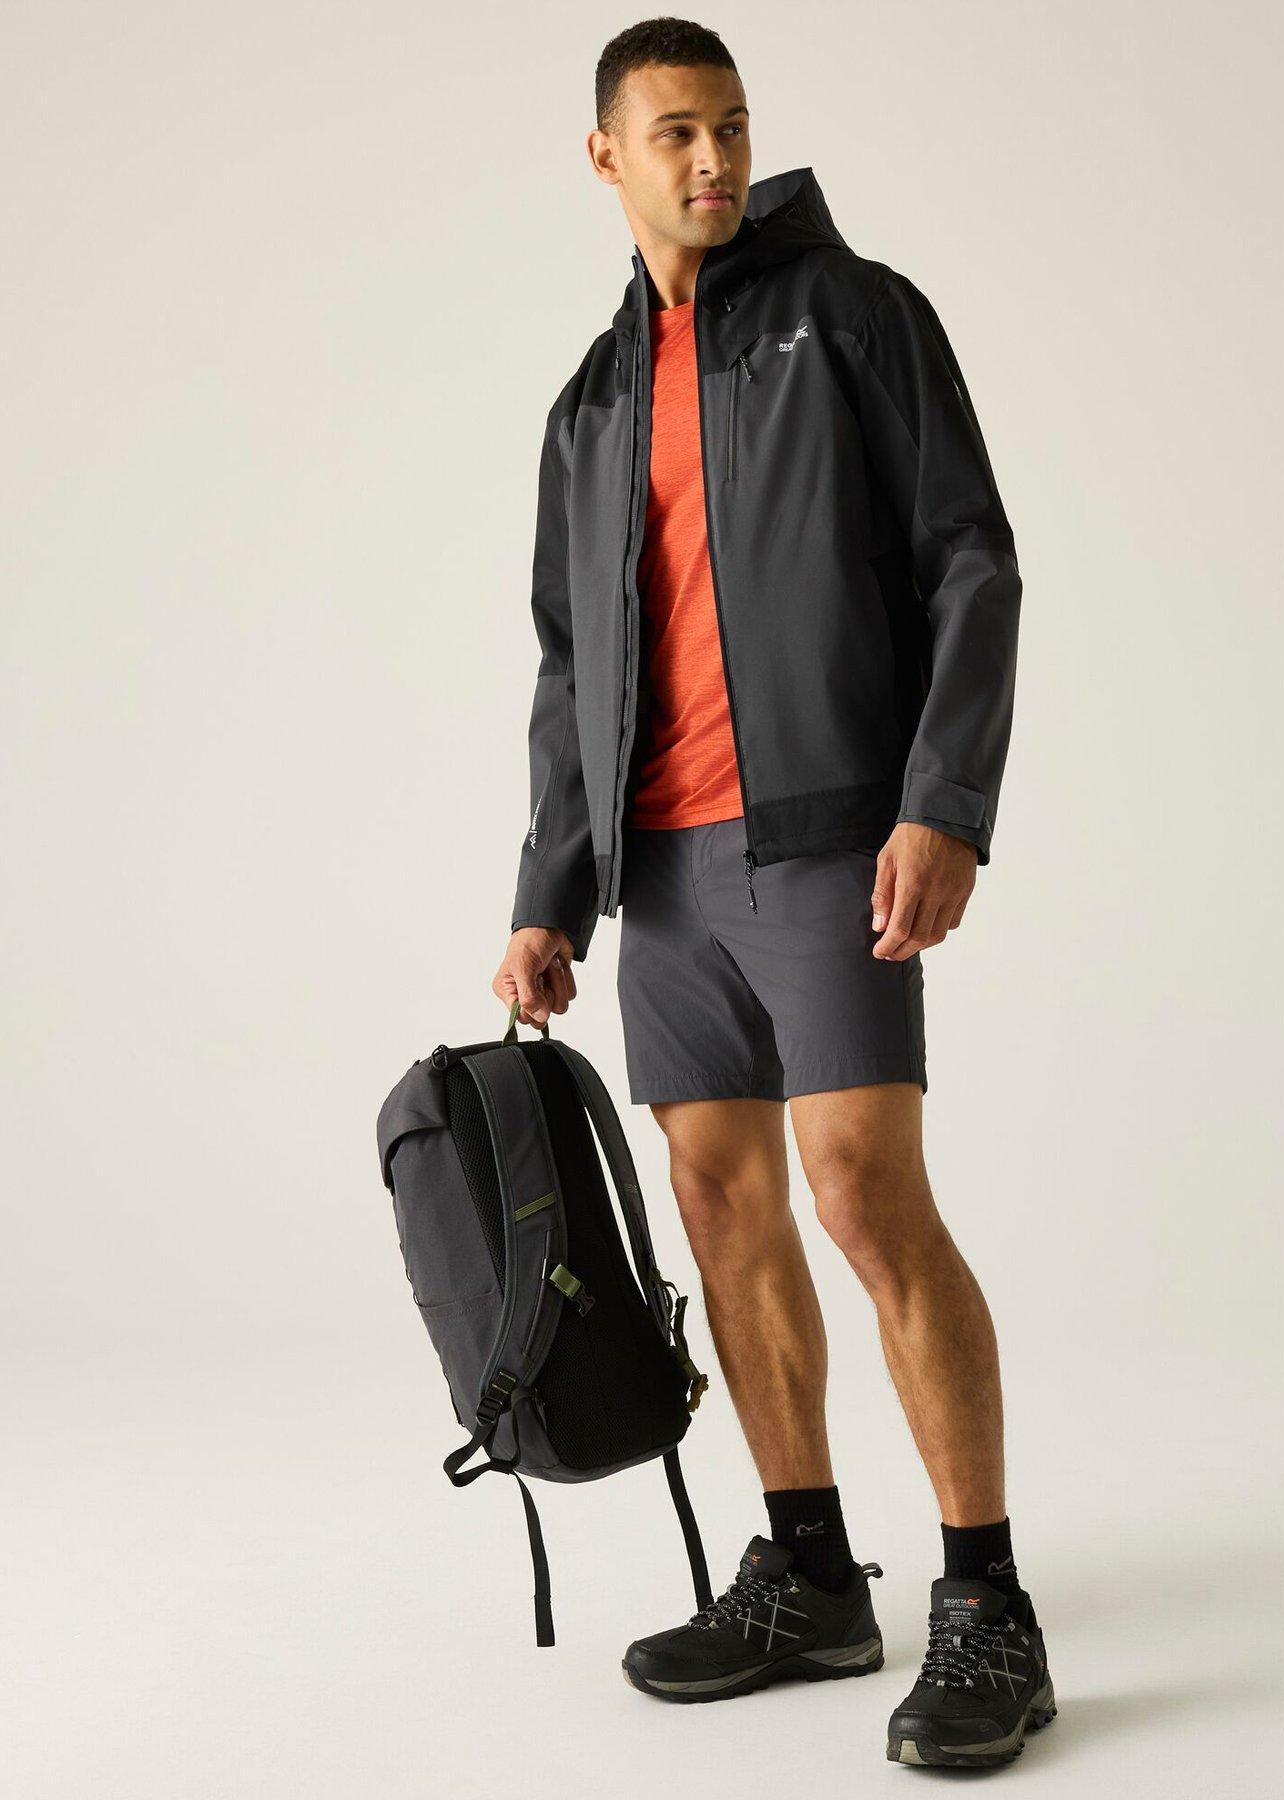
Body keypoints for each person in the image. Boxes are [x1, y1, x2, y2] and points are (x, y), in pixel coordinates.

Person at [491, 17, 1053, 1768]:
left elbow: (969, 557)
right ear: (606, 156)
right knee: (720, 1204)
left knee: (862, 1191)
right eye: (676, 132)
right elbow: (570, 666)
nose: (714, 159)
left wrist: (942, 802)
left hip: (821, 834)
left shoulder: (854, 314)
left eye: (730, 126)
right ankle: (807, 1571)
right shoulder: (589, 404)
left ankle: (987, 1604)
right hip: (658, 869)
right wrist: (549, 889)